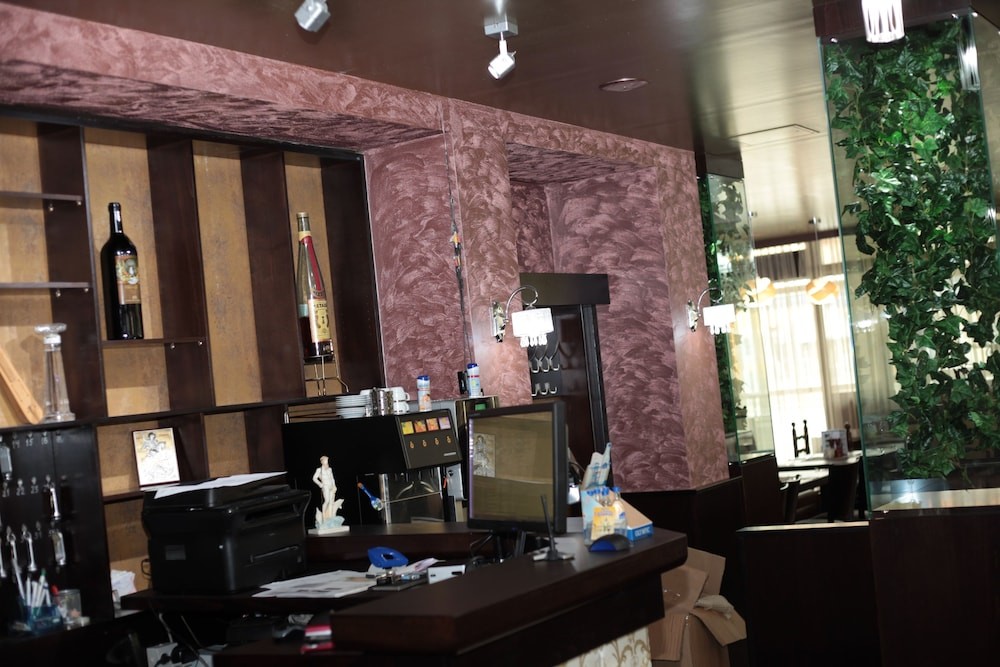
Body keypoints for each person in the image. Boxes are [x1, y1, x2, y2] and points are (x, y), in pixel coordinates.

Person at [311, 455, 343, 526]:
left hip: (331, 486)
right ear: (322, 461)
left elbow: (332, 478)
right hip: (325, 486)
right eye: (325, 460)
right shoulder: (319, 470)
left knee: (331, 502)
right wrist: (320, 484)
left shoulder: (329, 469)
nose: (327, 462)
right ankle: (323, 517)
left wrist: (334, 486)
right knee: (327, 501)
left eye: (327, 460)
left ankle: (331, 517)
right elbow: (314, 478)